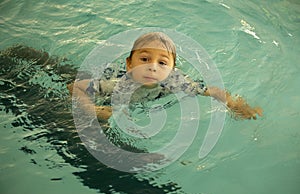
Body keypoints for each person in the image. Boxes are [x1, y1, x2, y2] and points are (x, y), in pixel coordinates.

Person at [70, 32, 263, 121]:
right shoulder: (117, 84)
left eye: (162, 63)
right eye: (144, 59)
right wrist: (91, 109)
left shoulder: (176, 81)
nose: (152, 67)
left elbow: (211, 91)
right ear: (129, 64)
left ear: (172, 70)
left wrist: (235, 105)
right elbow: (75, 86)